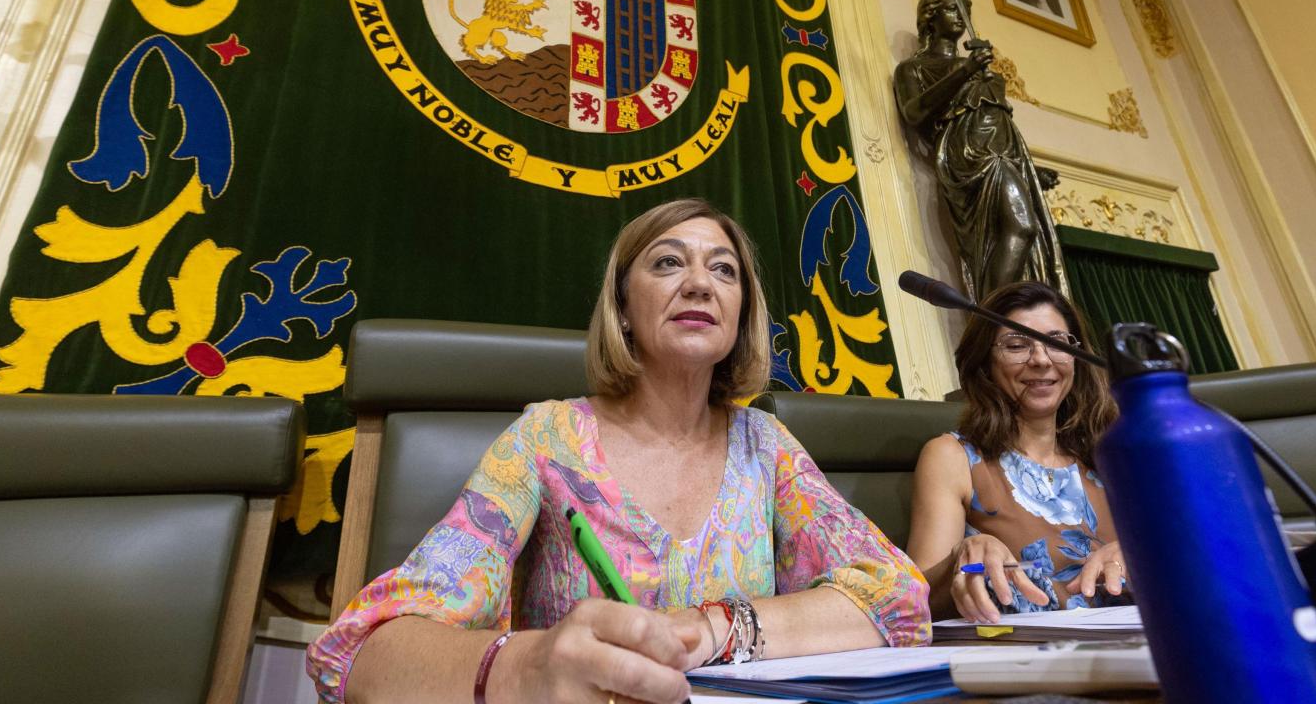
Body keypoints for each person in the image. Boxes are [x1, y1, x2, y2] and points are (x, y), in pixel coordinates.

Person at [307, 198, 930, 703]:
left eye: (724, 270)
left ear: (741, 311)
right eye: (667, 263)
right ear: (623, 308)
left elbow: (897, 597)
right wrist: (529, 666)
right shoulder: (546, 439)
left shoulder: (763, 443)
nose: (699, 284)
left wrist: (709, 629)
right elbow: (363, 654)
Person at [906, 281, 1127, 622]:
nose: (1040, 359)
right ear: (985, 363)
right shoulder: (952, 457)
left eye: (1056, 343)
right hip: (1027, 662)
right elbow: (914, 603)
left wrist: (1144, 557)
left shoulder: (1112, 453)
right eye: (1016, 345)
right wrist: (960, 559)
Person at [893, 0, 1068, 302]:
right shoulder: (915, 68)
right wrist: (965, 71)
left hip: (1005, 153)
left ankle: (1001, 313)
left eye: (965, 9)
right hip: (970, 154)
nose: (960, 15)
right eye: (951, 8)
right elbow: (914, 112)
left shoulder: (980, 71)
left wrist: (1029, 169)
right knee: (1021, 227)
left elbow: (1000, 124)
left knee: (1020, 237)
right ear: (930, 19)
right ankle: (994, 316)